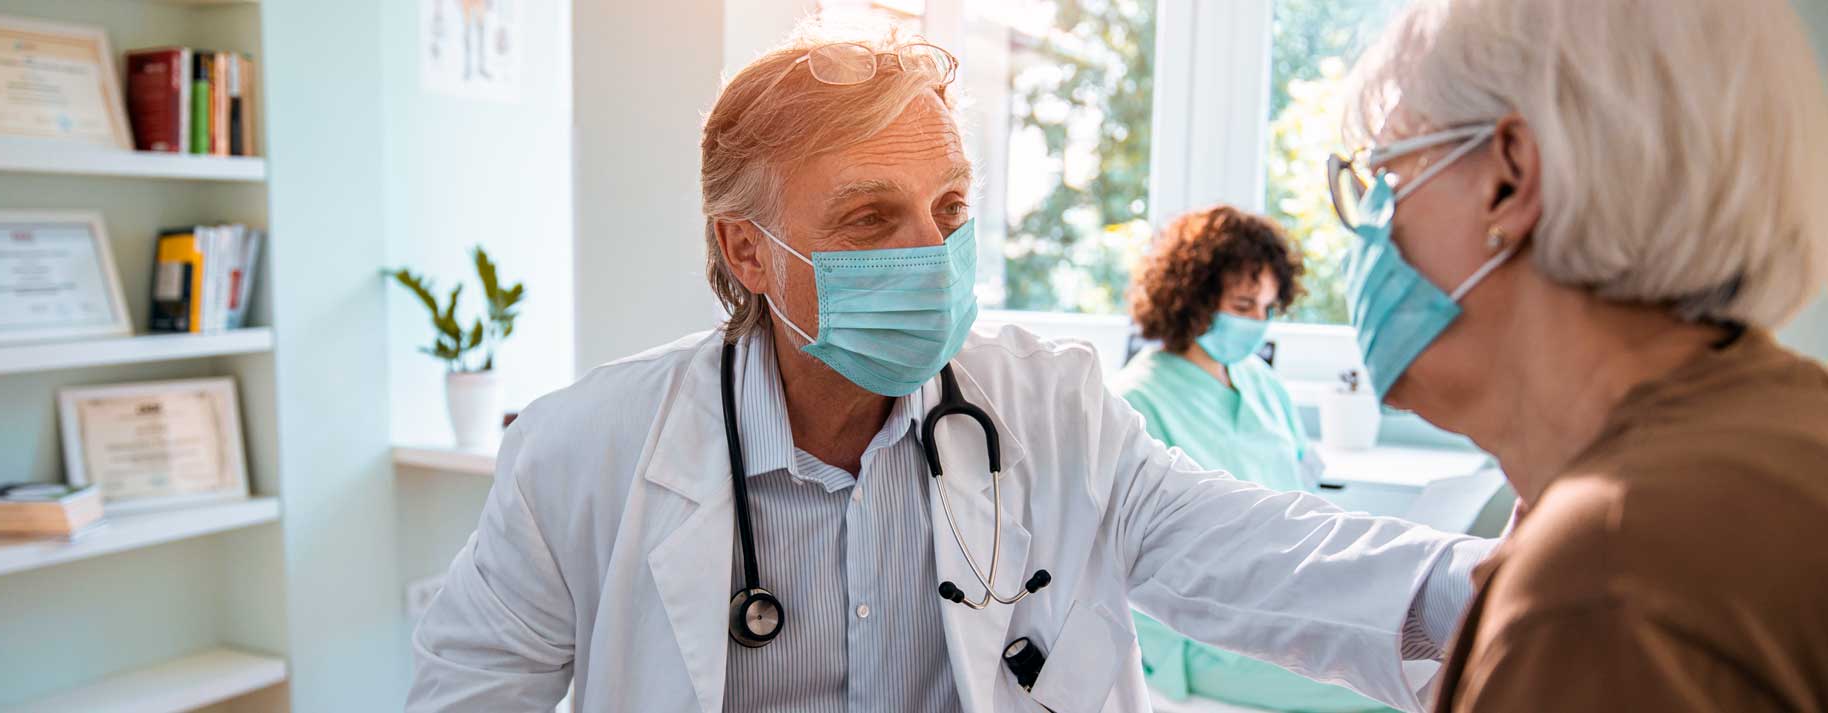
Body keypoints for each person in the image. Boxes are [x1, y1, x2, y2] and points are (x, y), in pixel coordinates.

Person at [407, 20, 1491, 713]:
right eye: (871, 217)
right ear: (747, 251)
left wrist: (1494, 590)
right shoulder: (582, 452)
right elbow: (465, 694)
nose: (928, 255)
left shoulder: (1049, 409)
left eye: (950, 209)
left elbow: (1263, 555)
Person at [1327, 0, 1828, 710]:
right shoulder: (1782, 431)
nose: (1370, 224)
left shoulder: (1607, 577)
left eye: (1385, 175)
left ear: (1509, 177)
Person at [1112, 205, 1391, 713]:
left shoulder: (1260, 383)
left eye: (1267, 308)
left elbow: (1305, 500)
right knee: (1391, 691)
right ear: (1191, 298)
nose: (1257, 324)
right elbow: (1129, 558)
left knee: (1426, 658)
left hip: (1292, 606)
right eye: (1243, 306)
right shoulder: (1136, 401)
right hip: (1200, 634)